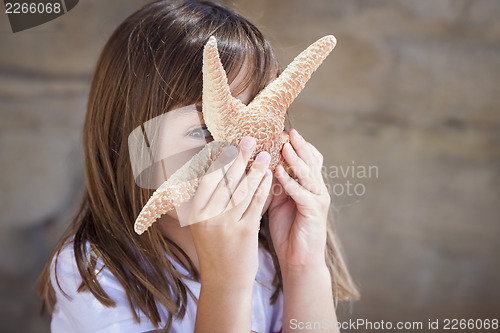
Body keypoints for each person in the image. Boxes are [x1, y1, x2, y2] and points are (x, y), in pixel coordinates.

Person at [37, 0, 359, 332]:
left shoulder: (272, 255)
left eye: (260, 117)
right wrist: (226, 281)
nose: (242, 150)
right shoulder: (93, 273)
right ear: (130, 145)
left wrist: (302, 266)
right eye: (204, 130)